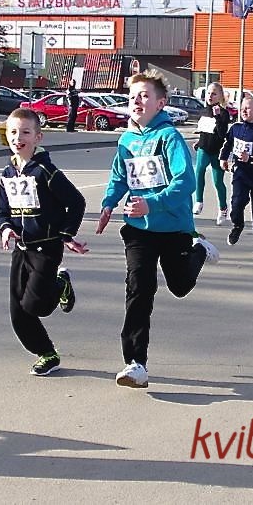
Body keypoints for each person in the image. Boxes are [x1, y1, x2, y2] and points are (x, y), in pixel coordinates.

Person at [96, 70, 220, 389]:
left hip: (174, 228)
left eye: (144, 96)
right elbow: (119, 178)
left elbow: (186, 182)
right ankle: (135, 363)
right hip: (139, 229)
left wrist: (152, 203)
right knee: (139, 288)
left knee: (180, 286)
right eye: (132, 96)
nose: (136, 101)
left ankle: (198, 250)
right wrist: (108, 204)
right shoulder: (126, 140)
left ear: (160, 103)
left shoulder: (169, 138)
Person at [0, 108, 88, 376]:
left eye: (25, 132)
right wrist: (5, 229)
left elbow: (76, 202)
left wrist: (67, 234)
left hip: (46, 247)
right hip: (21, 249)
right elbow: (3, 211)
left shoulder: (46, 171)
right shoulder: (8, 173)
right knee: (18, 312)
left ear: (38, 137)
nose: (18, 138)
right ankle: (47, 353)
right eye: (14, 132)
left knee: (36, 305)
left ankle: (60, 283)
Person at [219, 95, 253, 256]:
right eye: (242, 108)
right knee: (236, 203)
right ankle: (237, 225)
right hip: (240, 175)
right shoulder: (235, 128)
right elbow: (227, 144)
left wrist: (250, 159)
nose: (244, 111)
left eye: (248, 108)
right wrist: (223, 158)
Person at [192, 81, 231, 226]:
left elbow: (221, 134)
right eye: (208, 93)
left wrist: (218, 117)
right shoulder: (203, 111)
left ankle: (223, 208)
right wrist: (198, 142)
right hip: (204, 148)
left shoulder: (224, 113)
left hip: (217, 151)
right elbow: (204, 131)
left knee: (217, 181)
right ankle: (198, 201)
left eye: (214, 94)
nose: (210, 96)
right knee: (199, 171)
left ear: (220, 96)